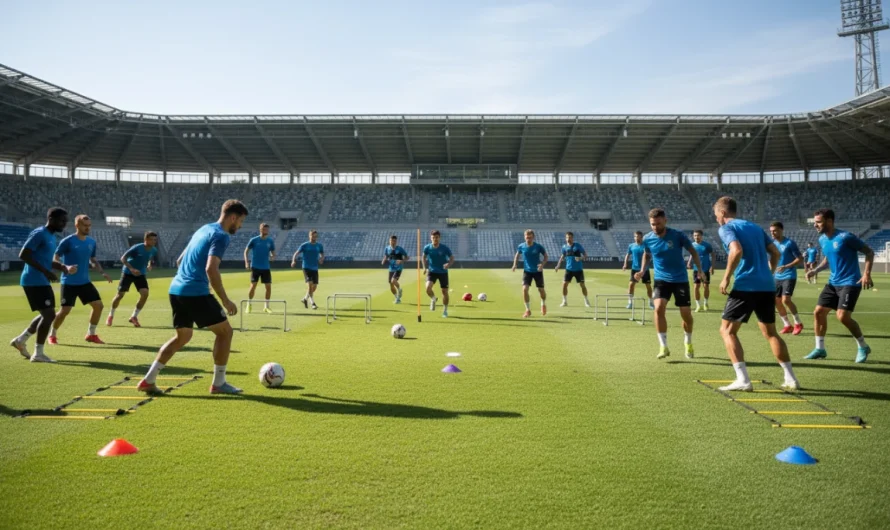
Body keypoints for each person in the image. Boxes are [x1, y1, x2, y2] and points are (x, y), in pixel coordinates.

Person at [137, 200, 248, 396]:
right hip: (194, 292)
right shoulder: (221, 236)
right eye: (240, 221)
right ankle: (219, 383)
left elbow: (180, 260)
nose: (240, 226)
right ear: (233, 217)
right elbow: (211, 269)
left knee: (183, 336)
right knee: (225, 333)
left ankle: (149, 380)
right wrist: (225, 300)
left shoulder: (204, 229)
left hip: (176, 289)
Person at [714, 197, 799, 392]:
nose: (716, 219)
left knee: (727, 331)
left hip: (746, 286)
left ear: (723, 213)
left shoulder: (726, 228)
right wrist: (769, 273)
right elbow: (775, 253)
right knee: (771, 333)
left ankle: (743, 379)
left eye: (716, 215)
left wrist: (726, 277)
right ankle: (791, 378)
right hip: (767, 286)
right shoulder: (754, 227)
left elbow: (736, 250)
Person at [805, 208, 874, 363]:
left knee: (842, 316)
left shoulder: (846, 237)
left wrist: (866, 274)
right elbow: (827, 260)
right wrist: (815, 270)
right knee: (818, 312)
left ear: (829, 221)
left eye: (818, 222)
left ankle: (863, 346)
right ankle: (820, 349)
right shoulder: (822, 239)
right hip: (833, 282)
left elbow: (869, 252)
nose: (815, 225)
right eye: (815, 222)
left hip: (850, 282)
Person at [9, 208, 73, 363]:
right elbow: (23, 254)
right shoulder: (39, 233)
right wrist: (46, 272)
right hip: (33, 280)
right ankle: (38, 354)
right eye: (62, 221)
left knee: (48, 314)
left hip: (40, 280)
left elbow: (45, 260)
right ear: (51, 219)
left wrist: (62, 267)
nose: (64, 224)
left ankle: (20, 340)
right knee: (49, 315)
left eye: (65, 221)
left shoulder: (51, 236)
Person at [637, 209, 701, 360]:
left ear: (665, 221)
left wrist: (700, 270)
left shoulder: (678, 235)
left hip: (680, 279)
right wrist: (642, 270)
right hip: (661, 279)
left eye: (658, 224)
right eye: (653, 224)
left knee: (686, 314)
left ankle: (688, 341)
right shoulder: (647, 239)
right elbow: (647, 254)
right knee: (658, 308)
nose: (655, 227)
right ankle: (663, 346)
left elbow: (693, 252)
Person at [49, 214, 112, 345]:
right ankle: (52, 335)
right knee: (65, 311)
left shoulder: (91, 242)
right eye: (85, 225)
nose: (88, 228)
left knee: (98, 306)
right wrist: (66, 267)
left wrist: (102, 272)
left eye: (89, 225)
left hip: (85, 282)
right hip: (69, 282)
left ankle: (91, 334)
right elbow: (55, 258)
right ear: (77, 225)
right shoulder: (67, 241)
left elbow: (93, 260)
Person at [107, 231, 159, 327]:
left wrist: (149, 264)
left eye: (155, 240)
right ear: (146, 239)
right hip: (127, 272)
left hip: (140, 273)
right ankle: (111, 315)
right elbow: (123, 258)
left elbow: (150, 257)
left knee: (145, 294)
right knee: (120, 295)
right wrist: (132, 269)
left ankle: (134, 317)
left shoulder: (154, 250)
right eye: (151, 239)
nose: (153, 241)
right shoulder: (137, 248)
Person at [769, 221, 804, 335]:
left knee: (786, 300)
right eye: (771, 231)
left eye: (775, 231)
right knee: (776, 301)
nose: (772, 233)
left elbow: (800, 259)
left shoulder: (790, 243)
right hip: (777, 276)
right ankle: (787, 325)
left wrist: (786, 266)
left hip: (789, 275)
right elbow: (771, 260)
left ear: (781, 230)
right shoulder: (772, 244)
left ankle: (798, 323)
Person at [512, 229, 548, 318]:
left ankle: (543, 304)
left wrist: (542, 264)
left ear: (533, 237)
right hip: (527, 271)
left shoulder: (538, 246)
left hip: (537, 271)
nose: (528, 239)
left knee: (541, 290)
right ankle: (527, 310)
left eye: (530, 237)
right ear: (524, 237)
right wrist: (515, 264)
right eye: (527, 237)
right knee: (524, 289)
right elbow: (517, 255)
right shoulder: (521, 246)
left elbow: (546, 256)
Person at [244, 223, 276, 314]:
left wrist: (272, 256)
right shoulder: (254, 240)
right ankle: (249, 304)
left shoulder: (270, 241)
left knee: (268, 287)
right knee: (253, 286)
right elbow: (246, 251)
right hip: (255, 267)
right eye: (264, 229)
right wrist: (246, 262)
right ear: (260, 229)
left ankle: (266, 307)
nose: (266, 231)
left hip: (266, 267)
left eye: (267, 229)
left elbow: (273, 253)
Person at [422, 230, 454, 318]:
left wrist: (448, 264)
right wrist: (424, 267)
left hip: (443, 272)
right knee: (428, 288)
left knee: (444, 291)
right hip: (432, 271)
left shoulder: (444, 248)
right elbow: (423, 257)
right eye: (433, 237)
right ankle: (433, 299)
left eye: (436, 237)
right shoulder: (427, 248)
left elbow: (452, 258)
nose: (435, 239)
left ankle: (445, 310)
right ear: (430, 238)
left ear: (439, 238)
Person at [554, 231, 589, 308]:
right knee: (564, 284)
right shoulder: (564, 247)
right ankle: (564, 301)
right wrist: (558, 265)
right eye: (567, 237)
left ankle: (586, 301)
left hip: (578, 269)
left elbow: (586, 255)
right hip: (568, 269)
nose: (568, 239)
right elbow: (562, 256)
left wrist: (580, 258)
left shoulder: (577, 245)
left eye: (570, 237)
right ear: (565, 238)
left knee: (582, 285)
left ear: (572, 238)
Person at [291, 230, 323, 310]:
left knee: (314, 287)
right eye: (313, 236)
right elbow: (296, 253)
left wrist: (321, 258)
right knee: (310, 285)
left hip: (315, 268)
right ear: (309, 236)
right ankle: (312, 303)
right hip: (306, 267)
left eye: (315, 236)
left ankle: (305, 298)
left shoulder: (319, 245)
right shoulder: (304, 245)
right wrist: (293, 260)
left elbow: (322, 253)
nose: (314, 237)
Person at [622, 231, 654, 310]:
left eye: (639, 237)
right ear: (634, 237)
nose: (637, 238)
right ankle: (630, 303)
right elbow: (627, 255)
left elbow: (649, 256)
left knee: (648, 286)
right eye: (636, 236)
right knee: (631, 285)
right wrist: (625, 264)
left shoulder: (645, 246)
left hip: (645, 270)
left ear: (642, 237)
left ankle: (651, 302)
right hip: (634, 269)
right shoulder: (631, 246)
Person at [688, 230, 714, 313]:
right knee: (696, 287)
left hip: (705, 269)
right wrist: (689, 262)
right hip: (696, 269)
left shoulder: (707, 245)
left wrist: (712, 266)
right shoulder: (692, 245)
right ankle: (698, 305)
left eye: (698, 235)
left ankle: (705, 303)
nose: (696, 237)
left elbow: (713, 255)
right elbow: (692, 254)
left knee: (706, 286)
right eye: (695, 235)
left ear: (701, 236)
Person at [382, 235, 409, 304]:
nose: (392, 242)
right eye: (391, 240)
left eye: (394, 241)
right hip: (391, 268)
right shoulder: (387, 248)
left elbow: (407, 257)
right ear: (389, 241)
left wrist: (401, 261)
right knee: (391, 285)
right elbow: (386, 255)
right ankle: (397, 298)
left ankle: (399, 290)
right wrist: (384, 260)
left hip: (398, 268)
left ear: (396, 241)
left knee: (393, 280)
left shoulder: (400, 249)